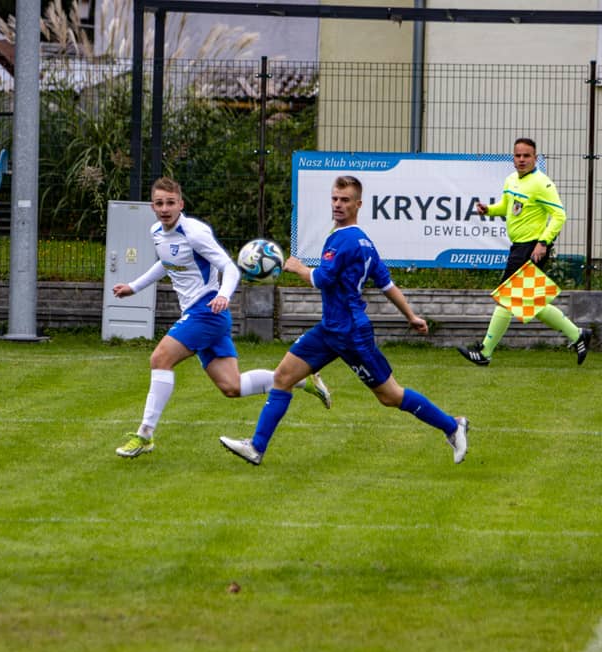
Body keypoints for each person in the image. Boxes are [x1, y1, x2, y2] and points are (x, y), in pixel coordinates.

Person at [219, 175, 468, 466]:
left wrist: (299, 267)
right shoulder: (364, 242)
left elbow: (321, 279)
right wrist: (411, 316)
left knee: (390, 396)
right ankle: (256, 447)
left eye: (345, 200)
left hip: (351, 334)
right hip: (330, 329)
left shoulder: (344, 240)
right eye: (335, 199)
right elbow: (386, 284)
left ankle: (453, 426)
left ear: (358, 204)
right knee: (283, 377)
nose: (338, 204)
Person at [113, 177, 331, 458]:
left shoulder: (195, 233)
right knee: (232, 386)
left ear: (181, 204)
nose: (165, 209)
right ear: (152, 207)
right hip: (204, 316)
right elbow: (166, 263)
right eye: (159, 203)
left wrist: (224, 295)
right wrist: (133, 287)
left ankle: (144, 435)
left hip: (206, 311)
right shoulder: (157, 231)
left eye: (170, 203)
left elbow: (229, 267)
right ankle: (299, 379)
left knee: (160, 359)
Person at [457, 137, 590, 366]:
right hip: (518, 246)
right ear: (513, 158)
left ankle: (485, 352)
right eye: (518, 155)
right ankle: (578, 334)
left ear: (535, 158)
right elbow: (506, 207)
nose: (521, 159)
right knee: (532, 303)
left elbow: (559, 215)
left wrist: (543, 243)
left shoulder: (542, 183)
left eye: (526, 156)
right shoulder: (511, 180)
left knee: (506, 299)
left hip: (531, 248)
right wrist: (489, 210)